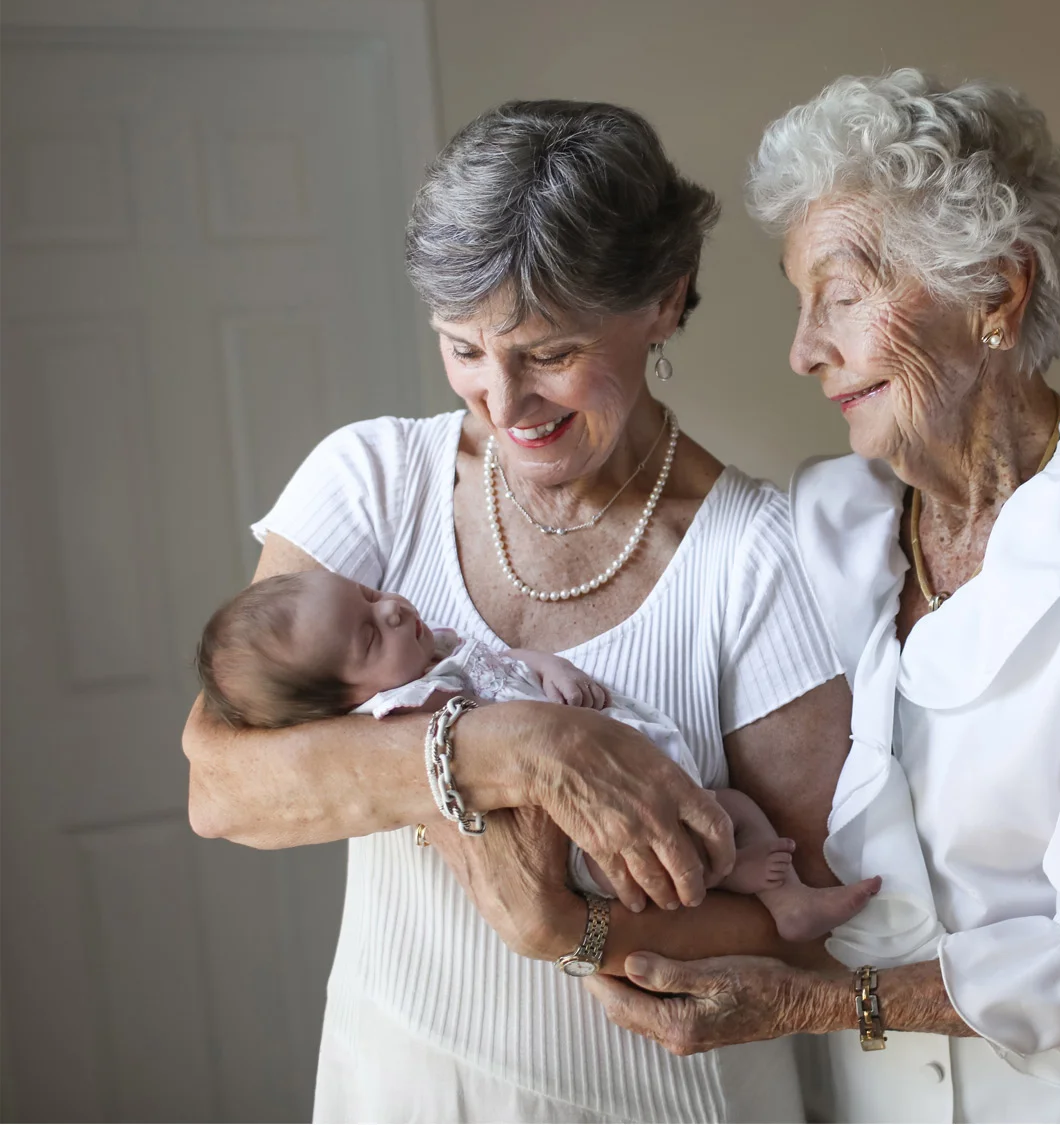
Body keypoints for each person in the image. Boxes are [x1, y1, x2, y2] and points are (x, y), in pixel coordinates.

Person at [592, 71, 1060, 1124]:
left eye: (845, 294)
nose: (804, 348)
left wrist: (814, 1000)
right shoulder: (825, 532)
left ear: (996, 292)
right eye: (800, 303)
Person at [180, 99, 854, 1122]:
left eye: (548, 351)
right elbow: (224, 784)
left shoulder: (756, 556)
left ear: (666, 301)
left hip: (655, 1098)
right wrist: (509, 744)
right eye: (462, 346)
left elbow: (804, 930)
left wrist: (568, 929)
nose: (502, 401)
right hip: (397, 1077)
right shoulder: (372, 479)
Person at [193, 568, 875, 942]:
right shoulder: (399, 708)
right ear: (349, 705)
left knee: (730, 809)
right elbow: (460, 743)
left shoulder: (435, 651)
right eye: (369, 635)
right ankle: (747, 881)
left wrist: (545, 666)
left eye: (370, 594)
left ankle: (786, 900)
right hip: (584, 838)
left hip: (646, 771)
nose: (394, 609)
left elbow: (495, 663)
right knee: (677, 851)